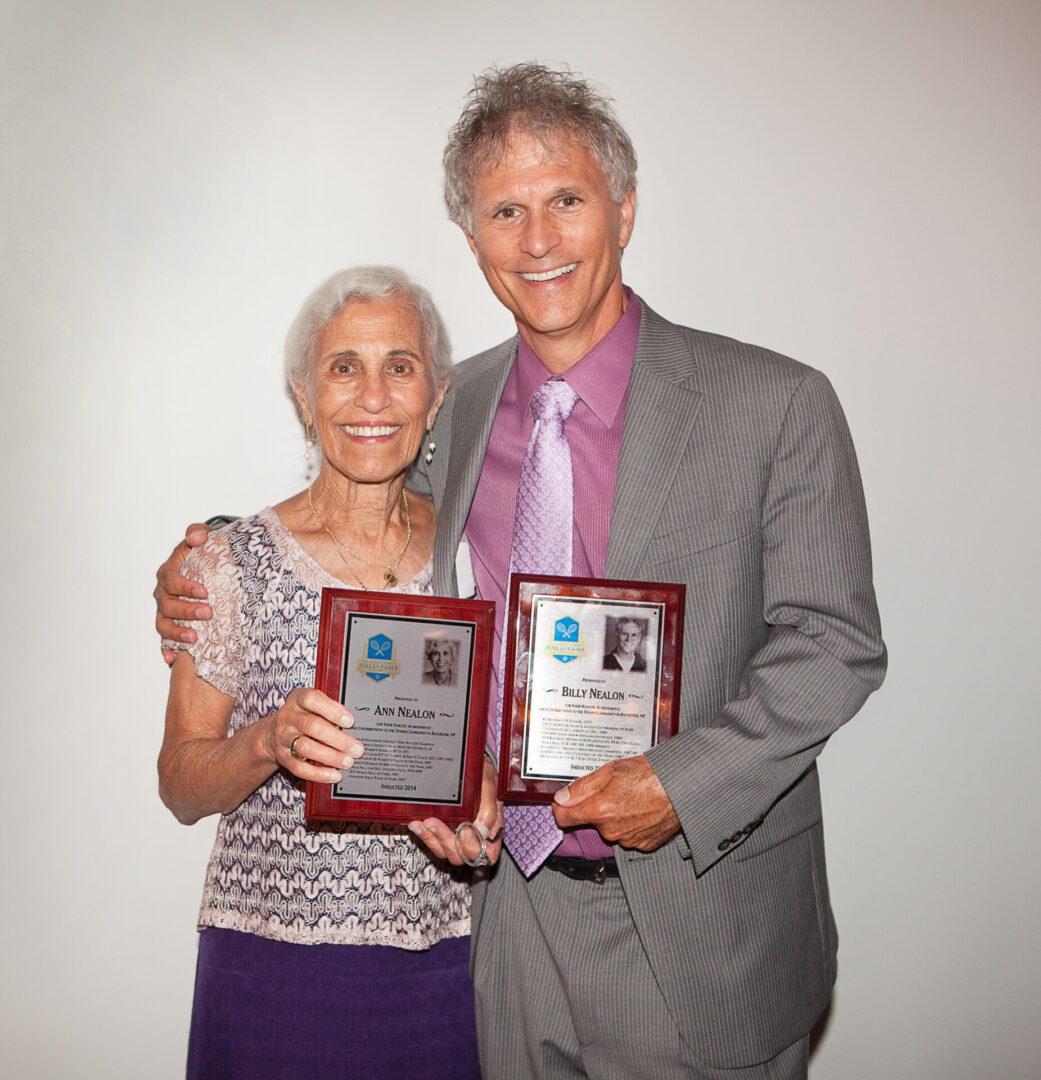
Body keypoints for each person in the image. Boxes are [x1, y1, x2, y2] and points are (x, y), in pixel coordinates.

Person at [156, 64, 886, 1080]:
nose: (538, 241)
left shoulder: (773, 404)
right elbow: (351, 494)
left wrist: (677, 786)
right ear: (473, 240)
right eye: (506, 211)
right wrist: (211, 548)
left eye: (566, 202)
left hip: (699, 919)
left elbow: (834, 643)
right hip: (502, 926)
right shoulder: (451, 411)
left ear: (623, 209)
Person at [156, 265, 497, 1079]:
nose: (372, 396)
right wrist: (266, 742)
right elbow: (179, 783)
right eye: (344, 367)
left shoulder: (479, 553)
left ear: (437, 395)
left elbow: (507, 749)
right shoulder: (229, 564)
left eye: (400, 367)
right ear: (303, 396)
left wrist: (488, 803)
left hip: (452, 965)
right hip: (275, 971)